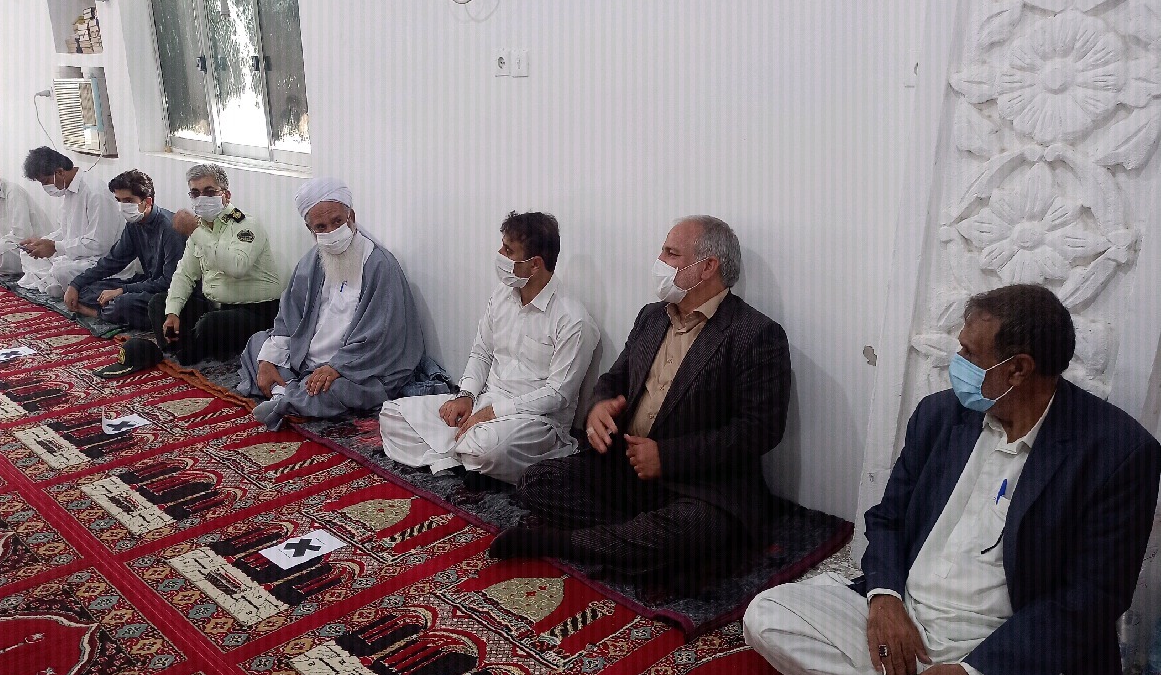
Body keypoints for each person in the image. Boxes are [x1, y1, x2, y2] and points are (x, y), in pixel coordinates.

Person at [744, 285, 1161, 675]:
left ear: (1017, 370)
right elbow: (888, 518)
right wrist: (884, 599)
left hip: (1005, 648)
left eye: (969, 353)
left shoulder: (1118, 452)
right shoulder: (941, 416)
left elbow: (1091, 598)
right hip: (905, 621)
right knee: (768, 616)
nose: (955, 362)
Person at [491, 215, 791, 591]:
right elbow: (614, 379)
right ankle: (635, 544)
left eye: (671, 253)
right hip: (627, 470)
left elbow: (759, 431)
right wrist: (598, 407)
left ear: (708, 267)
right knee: (536, 480)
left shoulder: (755, 334)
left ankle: (562, 543)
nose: (659, 261)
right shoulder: (652, 316)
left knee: (694, 528)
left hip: (700, 485)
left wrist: (667, 456)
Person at [379, 211, 597, 485]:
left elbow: (558, 395)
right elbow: (482, 352)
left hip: (534, 421)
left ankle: (456, 454)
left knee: (487, 449)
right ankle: (457, 459)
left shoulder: (573, 320)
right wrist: (466, 396)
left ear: (535, 264)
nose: (499, 255)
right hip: (485, 402)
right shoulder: (502, 294)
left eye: (509, 251)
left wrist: (493, 413)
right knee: (392, 414)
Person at [239, 177, 425, 428]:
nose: (331, 232)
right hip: (307, 358)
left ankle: (284, 395)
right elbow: (289, 317)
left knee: (335, 390)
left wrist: (337, 367)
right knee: (258, 345)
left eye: (337, 221)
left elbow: (381, 335)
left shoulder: (379, 264)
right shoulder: (311, 262)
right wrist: (267, 360)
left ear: (351, 217)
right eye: (321, 226)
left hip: (356, 368)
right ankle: (290, 393)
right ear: (311, 230)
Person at [150, 163, 284, 366]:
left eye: (209, 192)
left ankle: (187, 349)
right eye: (195, 193)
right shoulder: (199, 228)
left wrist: (195, 231)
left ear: (226, 195)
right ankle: (186, 348)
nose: (202, 198)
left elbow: (237, 267)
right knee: (159, 303)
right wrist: (172, 313)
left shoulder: (246, 225)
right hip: (215, 307)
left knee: (211, 325)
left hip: (255, 311)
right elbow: (185, 274)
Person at [62, 170, 186, 330]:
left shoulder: (170, 228)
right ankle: (108, 311)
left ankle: (99, 313)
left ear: (147, 201)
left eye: (128, 200)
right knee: (88, 290)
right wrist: (76, 284)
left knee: (123, 303)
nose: (122, 207)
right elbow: (113, 261)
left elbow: (169, 282)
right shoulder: (134, 224)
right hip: (147, 283)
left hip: (169, 293)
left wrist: (122, 290)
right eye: (118, 200)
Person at [18, 146, 122, 299]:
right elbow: (66, 231)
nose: (45, 187)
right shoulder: (69, 192)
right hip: (77, 255)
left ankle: (55, 283)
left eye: (45, 181)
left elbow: (100, 244)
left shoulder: (95, 192)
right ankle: (55, 284)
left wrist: (55, 247)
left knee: (62, 270)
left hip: (101, 260)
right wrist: (41, 243)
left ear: (60, 172)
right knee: (28, 256)